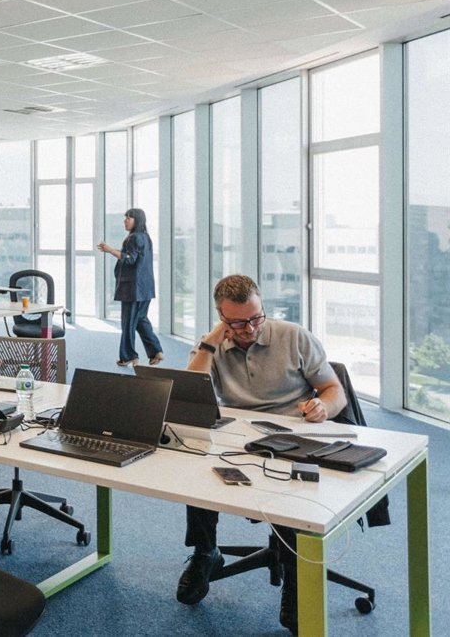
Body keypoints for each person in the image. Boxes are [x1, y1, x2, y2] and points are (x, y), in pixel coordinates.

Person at [176, 274, 346, 634]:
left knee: (288, 487)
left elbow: (334, 390)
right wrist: (210, 344)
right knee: (195, 462)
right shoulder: (213, 344)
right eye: (238, 323)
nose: (250, 328)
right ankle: (206, 552)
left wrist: (323, 407)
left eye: (256, 318)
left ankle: (296, 577)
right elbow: (189, 395)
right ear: (222, 318)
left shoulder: (294, 337)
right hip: (239, 436)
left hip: (294, 435)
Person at [98, 208, 163, 367]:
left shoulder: (133, 238)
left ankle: (129, 356)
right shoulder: (145, 237)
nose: (125, 220)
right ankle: (156, 351)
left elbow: (129, 259)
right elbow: (133, 256)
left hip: (133, 289)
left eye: (129, 218)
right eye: (125, 217)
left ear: (137, 220)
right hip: (145, 288)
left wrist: (110, 250)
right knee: (141, 319)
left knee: (128, 323)